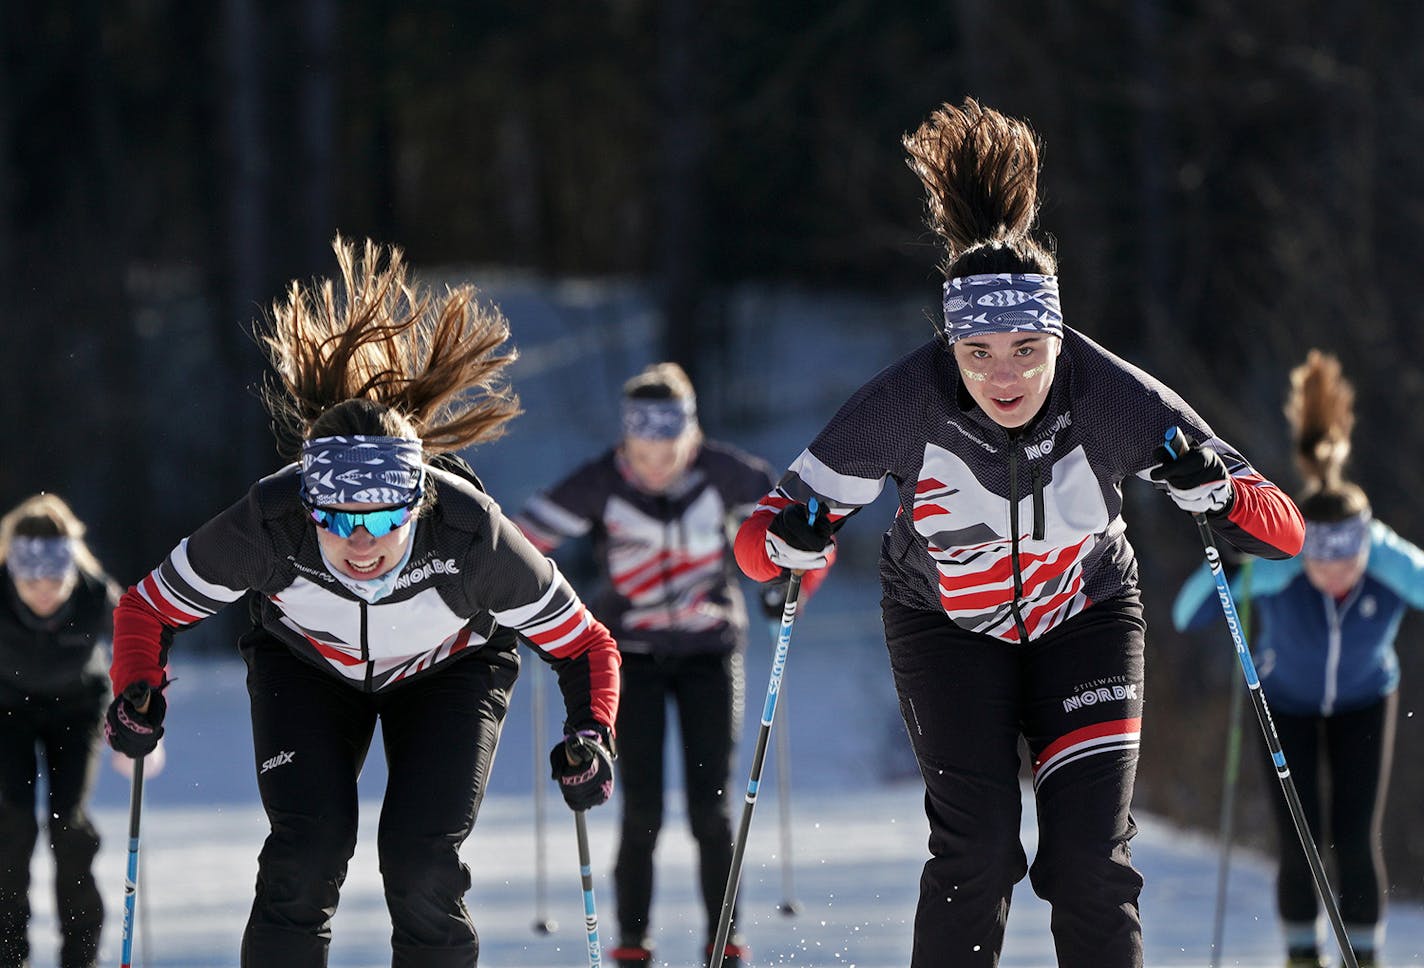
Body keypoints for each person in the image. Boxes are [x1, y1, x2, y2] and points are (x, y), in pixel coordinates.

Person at [732, 97, 1305, 968]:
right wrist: (792, 542)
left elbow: (1285, 531)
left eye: (1026, 349)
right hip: (944, 628)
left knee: (1088, 865)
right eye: (979, 352)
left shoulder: (1113, 398)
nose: (1005, 375)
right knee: (977, 856)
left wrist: (1213, 488)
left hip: (1088, 620)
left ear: (1055, 335)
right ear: (950, 347)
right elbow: (760, 539)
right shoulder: (903, 404)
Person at [102, 237, 621, 968]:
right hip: (308, 672)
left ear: (418, 502)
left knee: (420, 866)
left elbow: (585, 645)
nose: (363, 540)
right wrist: (136, 690)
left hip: (448, 675)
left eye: (383, 517)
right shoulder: (268, 525)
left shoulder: (473, 537)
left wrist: (592, 734)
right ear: (309, 504)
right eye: (339, 517)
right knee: (304, 857)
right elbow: (146, 609)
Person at [514, 361, 813, 968]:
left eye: (670, 447)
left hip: (710, 651)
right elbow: (519, 543)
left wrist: (794, 587)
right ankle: (631, 944)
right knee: (640, 806)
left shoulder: (728, 474)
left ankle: (724, 942)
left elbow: (808, 530)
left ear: (692, 435)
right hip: (631, 656)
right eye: (644, 448)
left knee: (713, 803)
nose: (657, 464)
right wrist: (537, 609)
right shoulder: (600, 482)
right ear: (627, 440)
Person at [1174, 350, 1419, 968]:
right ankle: (1302, 957)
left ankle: (1364, 959)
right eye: (1321, 558)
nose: (1335, 573)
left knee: (1358, 838)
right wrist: (1240, 566)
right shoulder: (1280, 572)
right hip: (1285, 706)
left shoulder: (1384, 568)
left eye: (1349, 559)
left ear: (1366, 549)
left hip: (1366, 701)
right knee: (1301, 840)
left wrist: (1388, 551)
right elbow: (1188, 613)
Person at [0, 493, 119, 968]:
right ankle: (9, 954)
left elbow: (141, 648)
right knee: (12, 824)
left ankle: (80, 957)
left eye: (55, 577)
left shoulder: (95, 594)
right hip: (6, 709)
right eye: (31, 578)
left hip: (77, 709)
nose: (44, 589)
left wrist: (143, 715)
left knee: (67, 823)